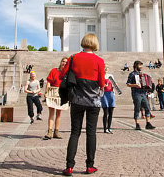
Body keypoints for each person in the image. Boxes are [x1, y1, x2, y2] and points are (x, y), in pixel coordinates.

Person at [59, 33, 105, 176]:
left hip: (77, 100)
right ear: (95, 44)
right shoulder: (99, 60)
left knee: (75, 132)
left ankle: (69, 166)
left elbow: (61, 76)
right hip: (93, 101)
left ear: (83, 42)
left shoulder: (73, 58)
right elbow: (102, 83)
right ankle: (90, 166)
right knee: (91, 133)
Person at [126, 60, 156, 130]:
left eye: (141, 65)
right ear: (136, 66)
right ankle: (137, 124)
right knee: (137, 108)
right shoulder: (132, 74)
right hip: (136, 94)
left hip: (143, 93)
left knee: (147, 108)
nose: (141, 67)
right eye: (140, 65)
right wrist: (135, 85)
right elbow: (128, 84)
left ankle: (148, 123)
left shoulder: (142, 75)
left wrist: (148, 88)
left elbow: (146, 83)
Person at [44, 57, 68, 140]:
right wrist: (46, 92)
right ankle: (49, 131)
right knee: (51, 112)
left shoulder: (67, 73)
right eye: (63, 61)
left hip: (62, 93)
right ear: (61, 62)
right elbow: (49, 82)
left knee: (59, 113)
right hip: (53, 92)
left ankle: (56, 131)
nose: (64, 63)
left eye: (66, 62)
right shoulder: (54, 71)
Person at [101, 64, 116, 134]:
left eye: (107, 67)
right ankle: (105, 128)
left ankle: (109, 127)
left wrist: (114, 86)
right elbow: (99, 86)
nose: (106, 69)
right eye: (105, 67)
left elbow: (113, 84)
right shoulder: (101, 76)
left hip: (111, 94)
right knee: (105, 112)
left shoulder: (110, 76)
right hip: (104, 94)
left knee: (111, 112)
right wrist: (102, 86)